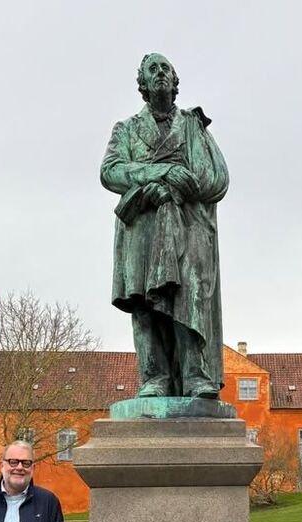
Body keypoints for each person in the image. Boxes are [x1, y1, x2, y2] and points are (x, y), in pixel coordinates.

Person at [100, 52, 229, 400]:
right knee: (145, 302)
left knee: (189, 294)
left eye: (165, 70)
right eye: (152, 70)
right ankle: (154, 376)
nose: (160, 74)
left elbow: (217, 178)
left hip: (187, 224)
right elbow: (110, 171)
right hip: (142, 223)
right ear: (142, 84)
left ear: (175, 82)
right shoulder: (126, 129)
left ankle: (194, 374)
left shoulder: (192, 126)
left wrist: (179, 187)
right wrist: (160, 173)